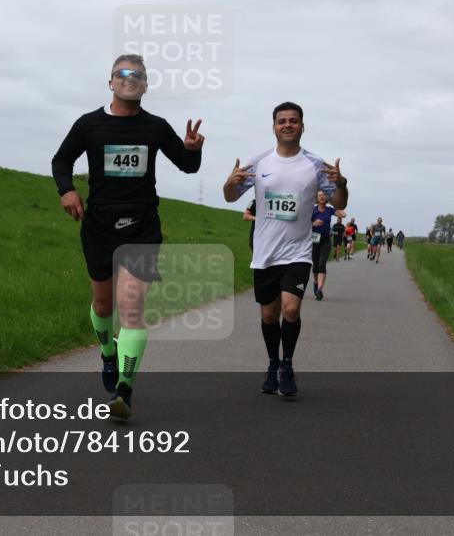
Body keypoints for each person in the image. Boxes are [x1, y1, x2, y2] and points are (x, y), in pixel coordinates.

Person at [51, 54, 205, 419]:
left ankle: (124, 389)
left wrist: (194, 150)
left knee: (132, 306)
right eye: (122, 73)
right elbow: (61, 160)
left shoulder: (156, 127)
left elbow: (187, 167)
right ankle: (109, 353)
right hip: (99, 226)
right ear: (111, 82)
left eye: (138, 75)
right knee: (104, 305)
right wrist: (66, 190)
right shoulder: (89, 124)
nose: (130, 78)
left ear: (145, 85)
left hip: (141, 227)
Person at [223, 101, 348, 397]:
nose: (288, 125)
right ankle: (272, 364)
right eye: (282, 121)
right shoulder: (259, 163)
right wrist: (229, 183)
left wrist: (342, 184)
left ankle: (288, 365)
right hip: (265, 252)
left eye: (293, 120)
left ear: (302, 126)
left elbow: (340, 202)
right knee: (269, 315)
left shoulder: (316, 165)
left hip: (298, 251)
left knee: (290, 309)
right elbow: (230, 197)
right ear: (274, 127)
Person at [311, 190, 347, 300]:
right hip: (314, 239)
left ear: (327, 198)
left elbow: (344, 214)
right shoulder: (312, 210)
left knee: (322, 264)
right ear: (317, 198)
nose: (322, 197)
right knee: (315, 265)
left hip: (325, 239)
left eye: (324, 195)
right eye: (320, 196)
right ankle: (316, 283)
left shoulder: (329, 210)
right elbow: (303, 223)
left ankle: (319, 289)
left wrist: (333, 203)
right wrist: (313, 224)